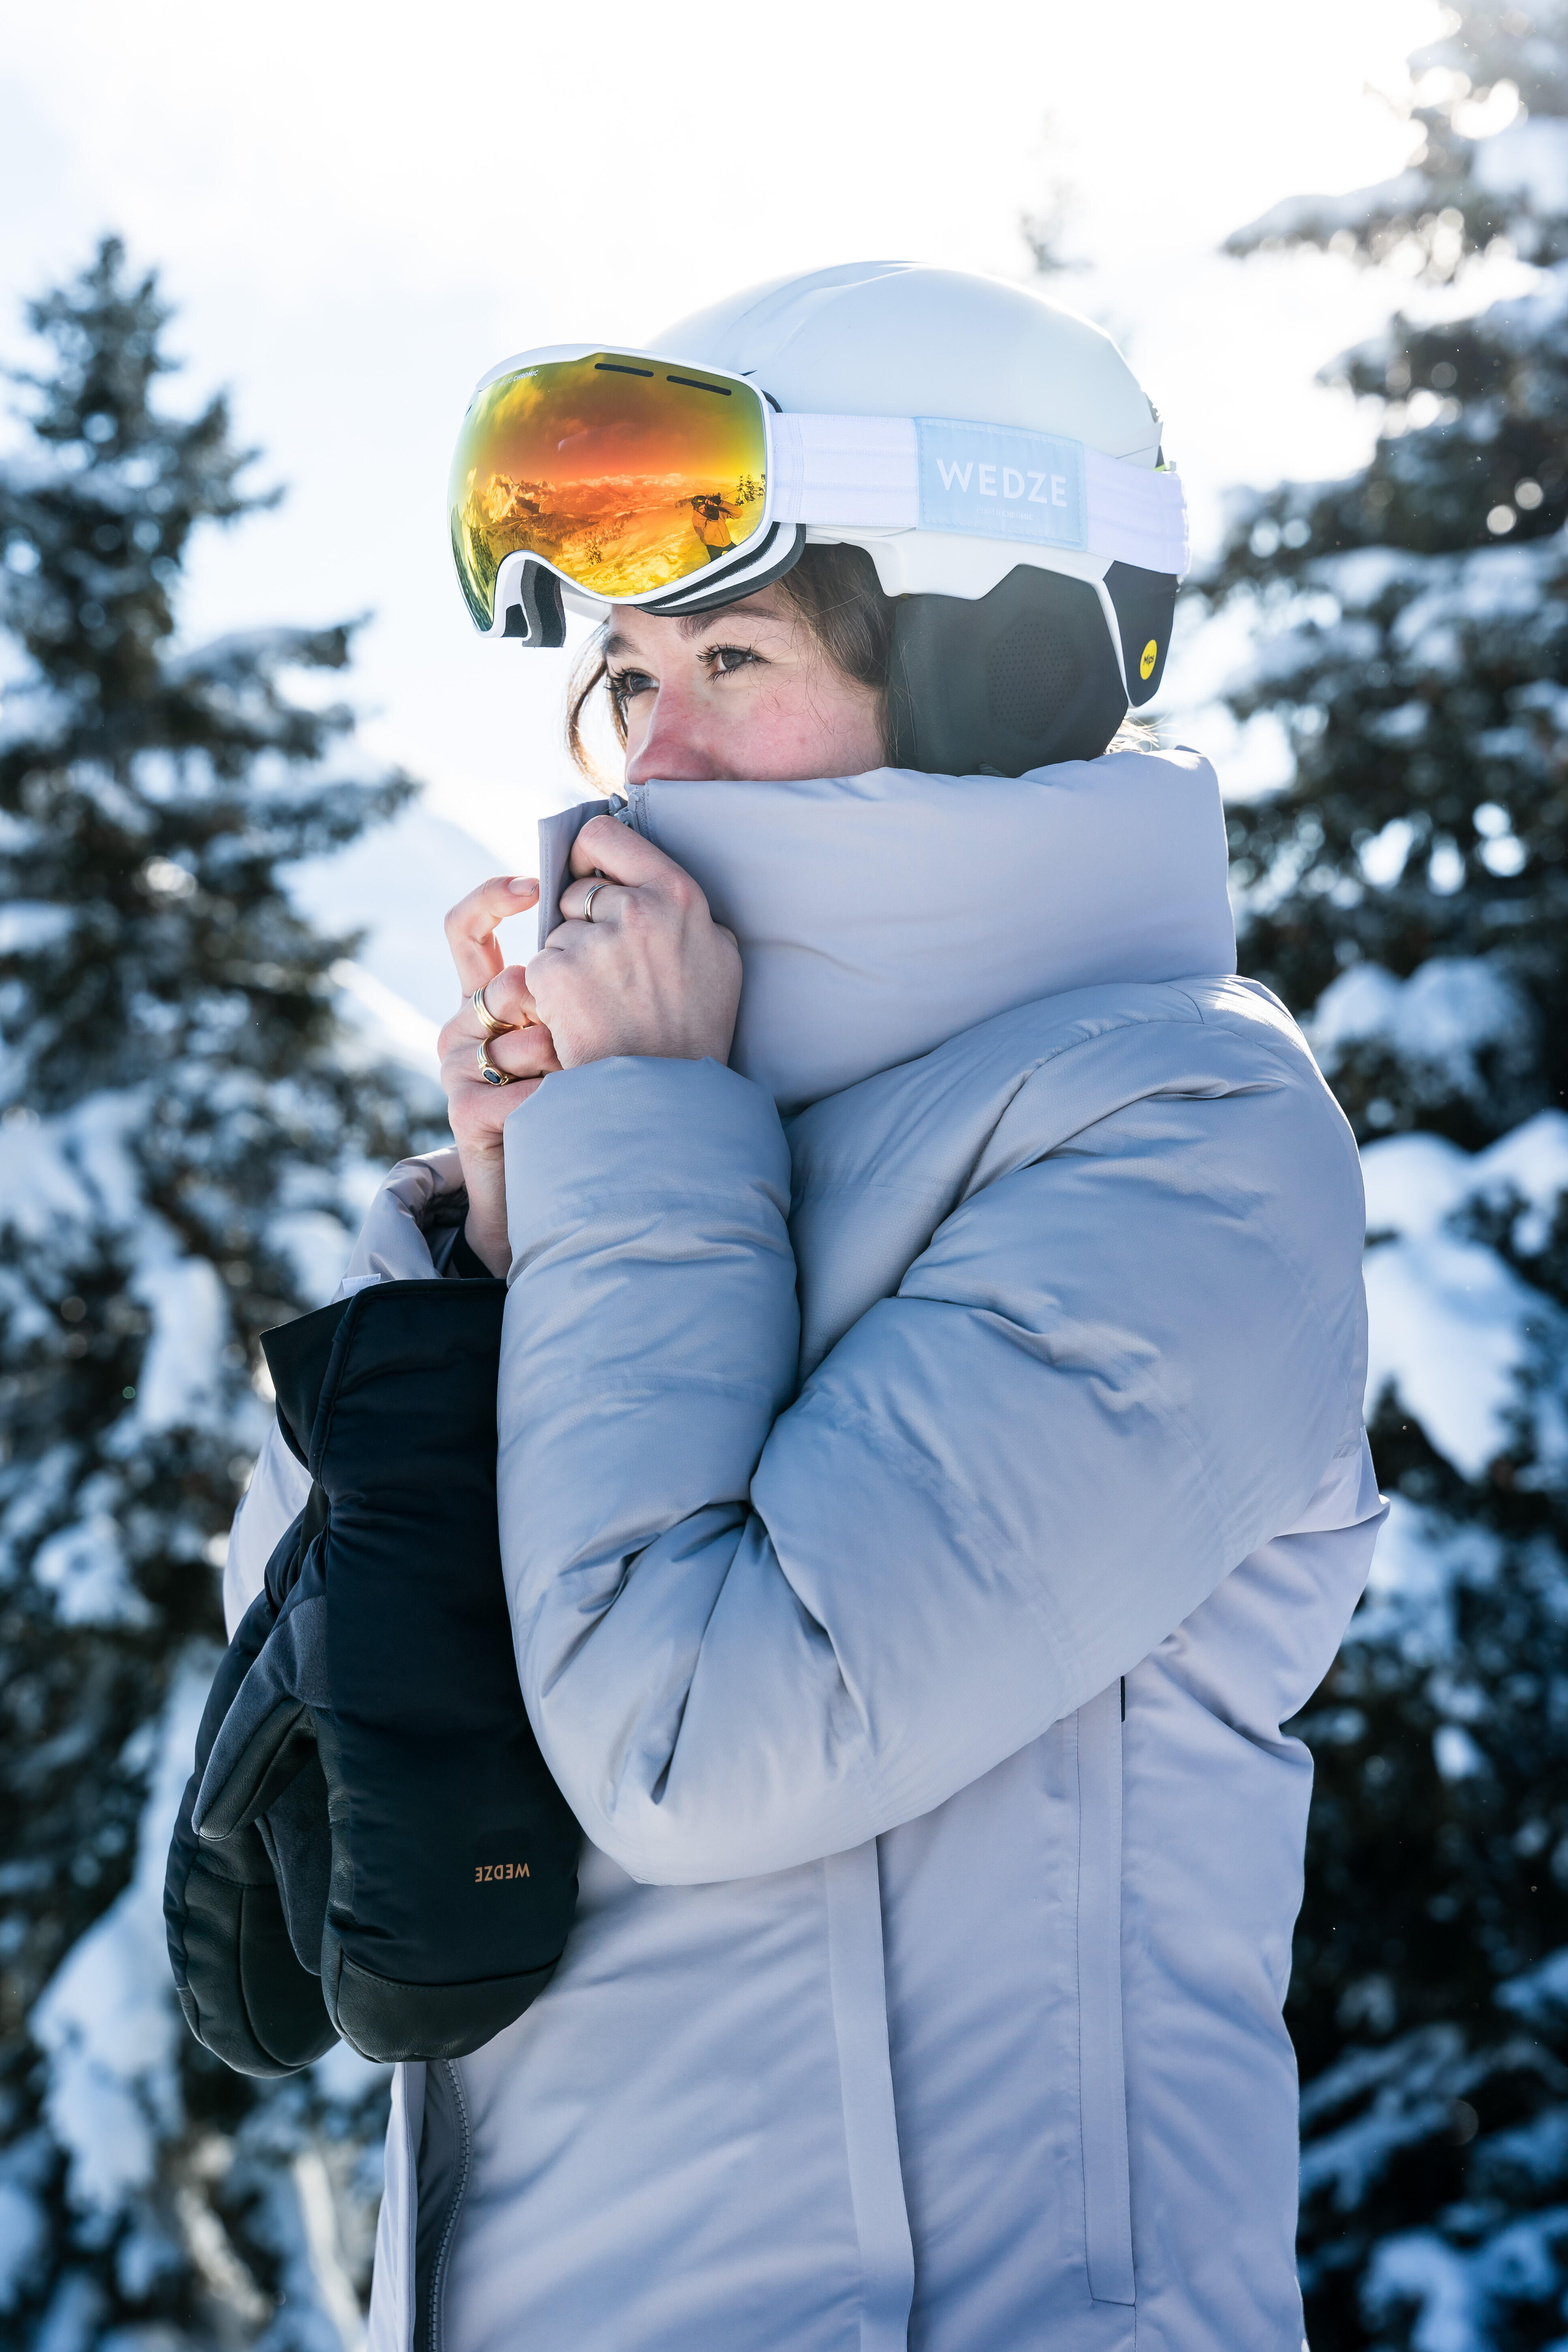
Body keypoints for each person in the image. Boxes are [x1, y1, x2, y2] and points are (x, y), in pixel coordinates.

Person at [226, 262, 1384, 2351]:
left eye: (733, 653)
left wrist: (646, 1145)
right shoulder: (653, 1143)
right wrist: (499, 1253)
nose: (648, 755)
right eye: (623, 676)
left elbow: (704, 1748)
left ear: (991, 677)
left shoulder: (1186, 1140)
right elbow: (317, 1753)